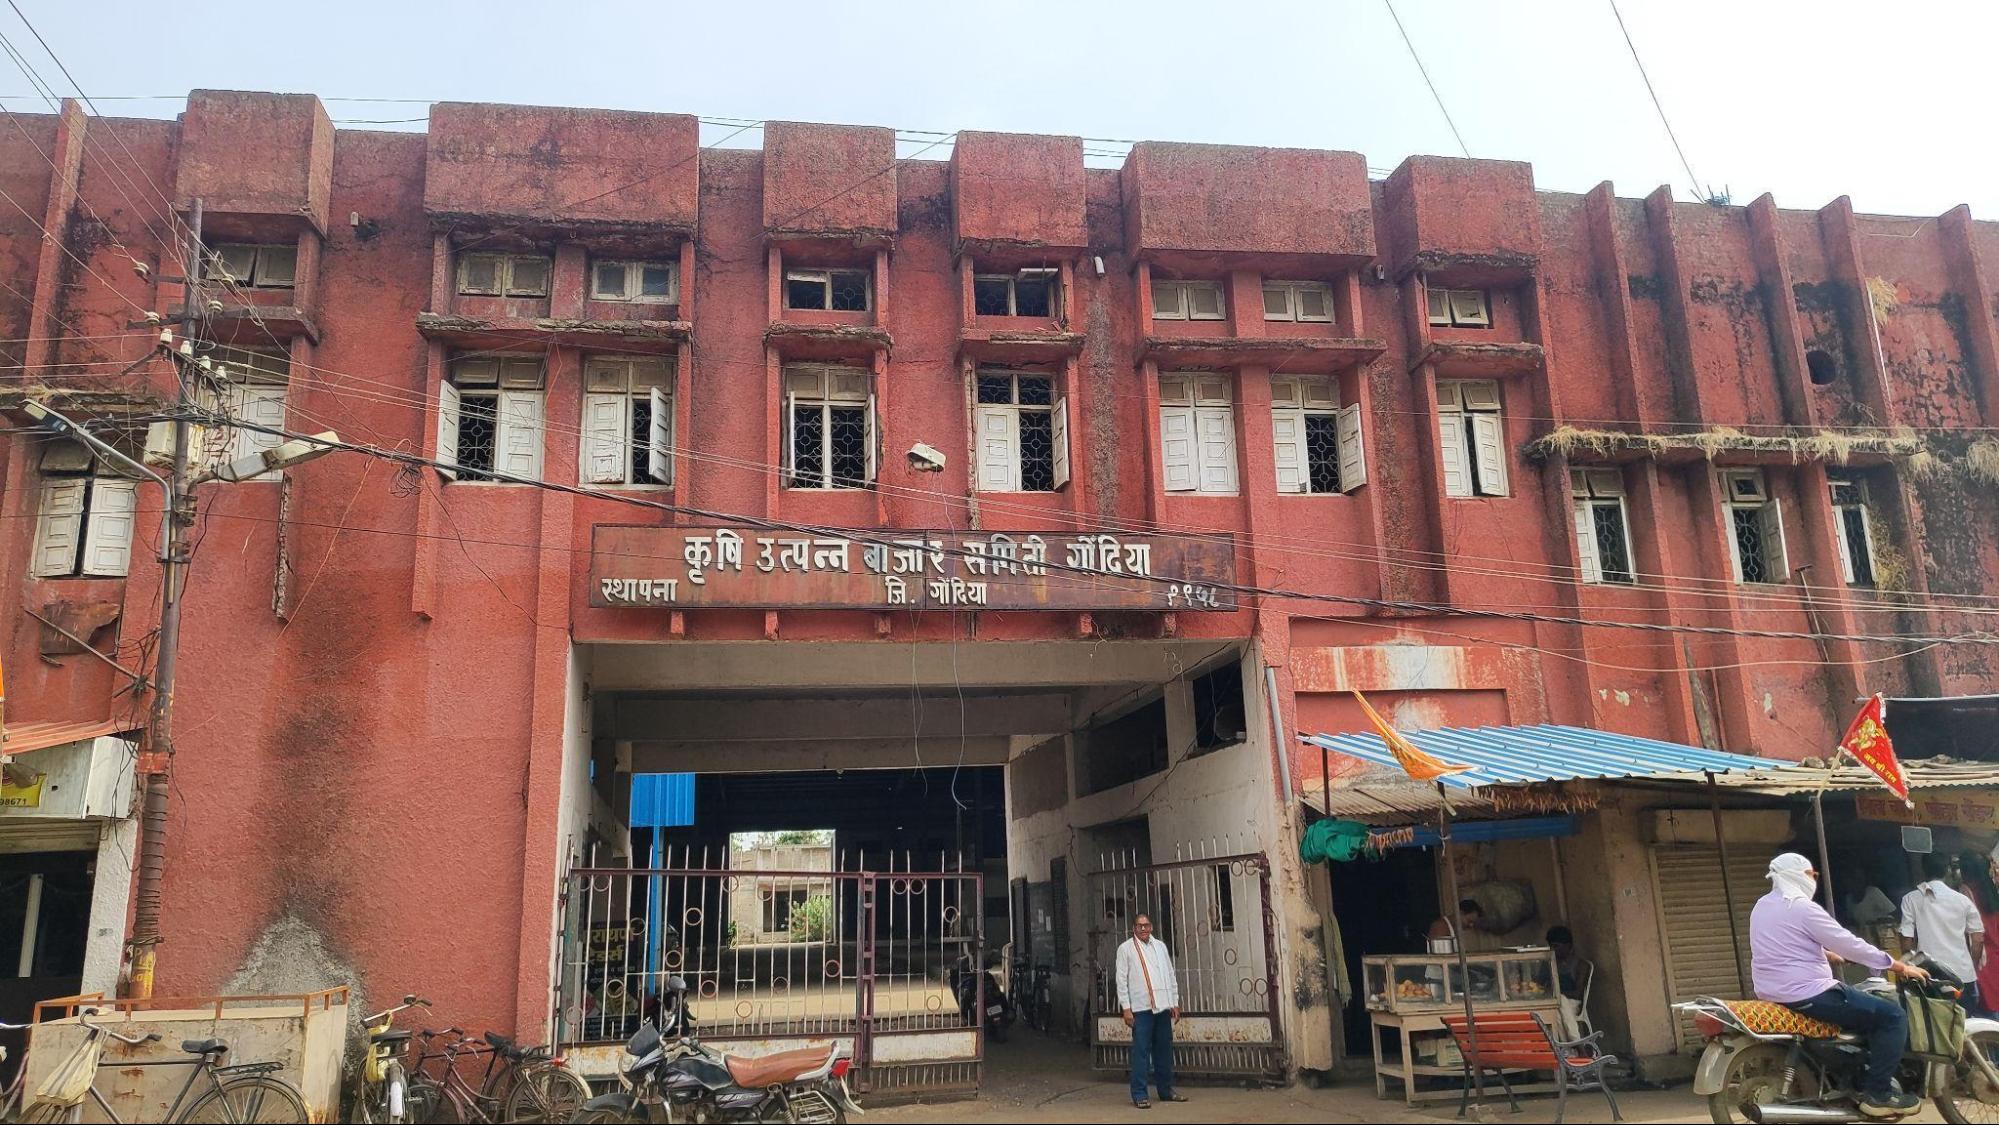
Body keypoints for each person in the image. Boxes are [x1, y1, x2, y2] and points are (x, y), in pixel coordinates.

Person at [1752, 853, 1929, 1119]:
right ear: (1797, 876)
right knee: (1892, 1016)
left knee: (1862, 1009)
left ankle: (1850, 1079)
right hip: (1810, 992)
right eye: (1811, 875)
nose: (1814, 880)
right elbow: (1850, 943)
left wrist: (1823, 953)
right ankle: (1878, 1094)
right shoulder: (1803, 908)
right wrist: (1899, 966)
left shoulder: (1762, 906)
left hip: (1772, 990)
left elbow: (1781, 944)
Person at [1115, 914, 1186, 1110]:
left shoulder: (1160, 947)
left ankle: (1166, 1090)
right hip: (1141, 1008)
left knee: (1164, 1050)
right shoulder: (1126, 949)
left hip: (1163, 1006)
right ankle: (1139, 1094)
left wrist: (1175, 1002)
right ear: (1134, 928)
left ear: (1151, 927)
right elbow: (1121, 980)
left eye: (1146, 925)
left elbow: (1170, 974)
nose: (1143, 929)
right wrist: (1126, 1008)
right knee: (1141, 1052)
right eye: (1139, 926)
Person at [1900, 851, 1985, 1009]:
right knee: (1964, 1025)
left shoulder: (1910, 899)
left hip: (1929, 977)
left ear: (1923, 870)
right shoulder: (1963, 901)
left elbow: (1906, 940)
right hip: (1963, 976)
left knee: (1935, 1026)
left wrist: (1908, 966)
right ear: (1947, 870)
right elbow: (1978, 939)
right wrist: (1971, 964)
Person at [1959, 850, 1999, 1017]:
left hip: (1982, 960)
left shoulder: (1965, 894)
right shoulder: (1992, 892)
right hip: (1995, 956)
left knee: (1988, 1012)